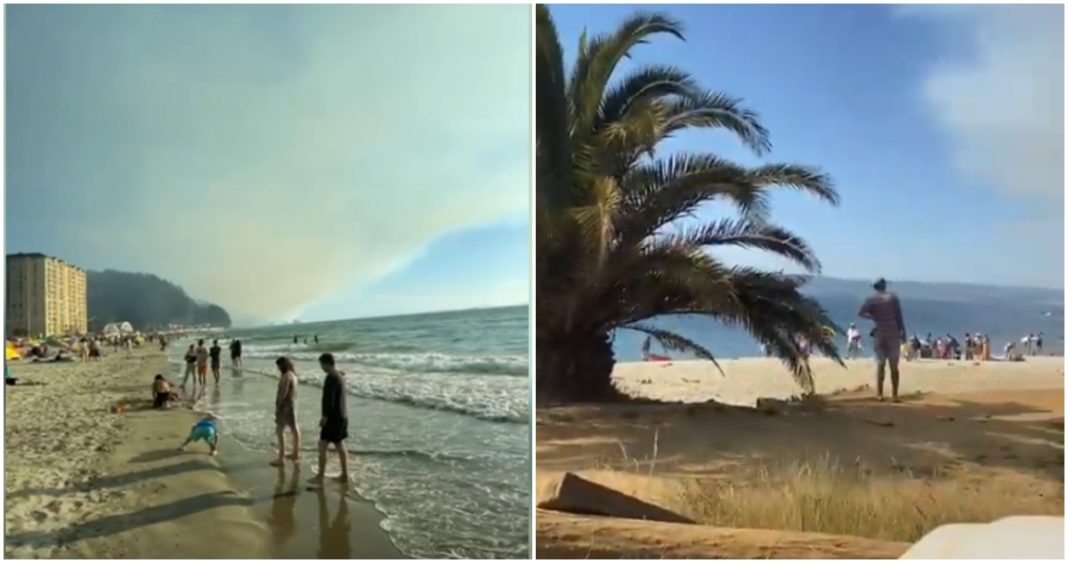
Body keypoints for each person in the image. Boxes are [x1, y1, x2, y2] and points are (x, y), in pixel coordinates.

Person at [859, 278, 906, 402]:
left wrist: (874, 317)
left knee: (880, 364)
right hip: (894, 333)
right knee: (894, 365)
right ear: (884, 286)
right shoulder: (893, 298)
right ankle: (894, 395)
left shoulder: (871, 299)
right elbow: (899, 316)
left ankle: (879, 394)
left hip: (879, 332)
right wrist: (903, 332)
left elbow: (861, 313)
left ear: (875, 287)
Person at [309, 353, 349, 486]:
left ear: (326, 363)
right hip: (343, 416)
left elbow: (328, 400)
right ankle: (344, 474)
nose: (321, 367)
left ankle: (320, 476)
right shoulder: (339, 376)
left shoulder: (330, 378)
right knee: (340, 445)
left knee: (322, 445)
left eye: (321, 364)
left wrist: (324, 417)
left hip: (332, 417)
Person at [272, 357, 301, 466]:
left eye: (278, 366)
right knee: (295, 429)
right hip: (293, 405)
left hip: (285, 406)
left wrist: (278, 408)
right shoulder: (293, 375)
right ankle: (295, 453)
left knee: (280, 430)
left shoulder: (286, 376)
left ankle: (281, 458)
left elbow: (283, 393)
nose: (278, 368)